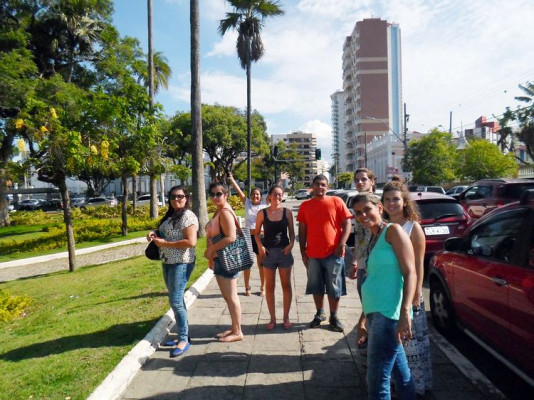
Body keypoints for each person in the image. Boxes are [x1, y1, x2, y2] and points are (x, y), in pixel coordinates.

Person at [352, 192, 417, 400]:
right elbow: (376, 281)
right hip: (375, 312)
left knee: (377, 380)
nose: (363, 216)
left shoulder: (393, 231)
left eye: (367, 210)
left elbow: (410, 272)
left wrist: (405, 312)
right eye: (358, 213)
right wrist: (363, 319)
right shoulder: (373, 237)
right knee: (401, 374)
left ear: (379, 208)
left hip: (389, 315)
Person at [382, 181, 432, 396]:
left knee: (411, 343)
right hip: (389, 293)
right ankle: (395, 384)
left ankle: (415, 387)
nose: (391, 203)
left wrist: (416, 294)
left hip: (408, 294)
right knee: (394, 342)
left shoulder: (413, 227)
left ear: (404, 202)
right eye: (387, 200)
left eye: (395, 199)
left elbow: (419, 265)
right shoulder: (384, 227)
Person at [147, 186, 199, 357]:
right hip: (168, 261)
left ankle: (183, 339)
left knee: (175, 301)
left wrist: (166, 244)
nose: (176, 199)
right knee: (177, 300)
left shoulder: (188, 216)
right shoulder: (171, 215)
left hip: (181, 262)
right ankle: (182, 335)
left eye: (180, 196)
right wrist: (154, 233)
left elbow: (191, 242)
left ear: (186, 198)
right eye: (173, 197)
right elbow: (164, 231)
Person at [297, 174, 352, 332]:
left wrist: (342, 244)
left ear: (327, 187)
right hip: (313, 253)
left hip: (334, 252)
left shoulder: (336, 201)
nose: (320, 187)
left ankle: (334, 316)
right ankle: (320, 313)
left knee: (335, 287)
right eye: (317, 184)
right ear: (312, 186)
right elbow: (302, 229)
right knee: (316, 285)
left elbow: (347, 223)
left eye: (323, 184)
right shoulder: (305, 206)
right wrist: (302, 251)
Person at [227, 172, 288, 296]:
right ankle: (247, 287)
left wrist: (280, 180)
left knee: (261, 264)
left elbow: (273, 191)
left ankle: (262, 287)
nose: (255, 196)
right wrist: (232, 179)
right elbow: (239, 191)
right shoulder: (247, 203)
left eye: (257, 194)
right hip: (248, 237)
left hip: (261, 237)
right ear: (250, 196)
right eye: (253, 194)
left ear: (261, 197)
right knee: (247, 265)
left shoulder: (264, 204)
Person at [204, 181, 244, 343]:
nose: (215, 197)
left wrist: (211, 250)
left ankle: (238, 331)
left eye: (218, 194)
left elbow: (231, 237)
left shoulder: (225, 212)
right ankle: (234, 328)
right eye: (212, 194)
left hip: (226, 258)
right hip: (220, 258)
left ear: (226, 195)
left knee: (232, 296)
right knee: (228, 296)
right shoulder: (219, 210)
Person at [254, 185, 295, 330]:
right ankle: (272, 318)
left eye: (280, 194)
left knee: (286, 285)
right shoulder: (262, 213)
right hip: (268, 254)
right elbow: (256, 233)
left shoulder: (287, 212)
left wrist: (291, 244)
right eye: (275, 194)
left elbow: (292, 233)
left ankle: (286, 317)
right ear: (270, 196)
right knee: (270, 287)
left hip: (284, 253)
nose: (277, 197)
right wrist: (260, 246)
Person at [347, 168, 377, 347]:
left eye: (363, 179)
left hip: (377, 264)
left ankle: (367, 333)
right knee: (366, 302)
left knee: (373, 304)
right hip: (363, 264)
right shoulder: (357, 205)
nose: (359, 182)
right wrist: (354, 261)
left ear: (372, 181)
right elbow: (358, 238)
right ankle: (369, 336)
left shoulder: (378, 205)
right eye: (357, 180)